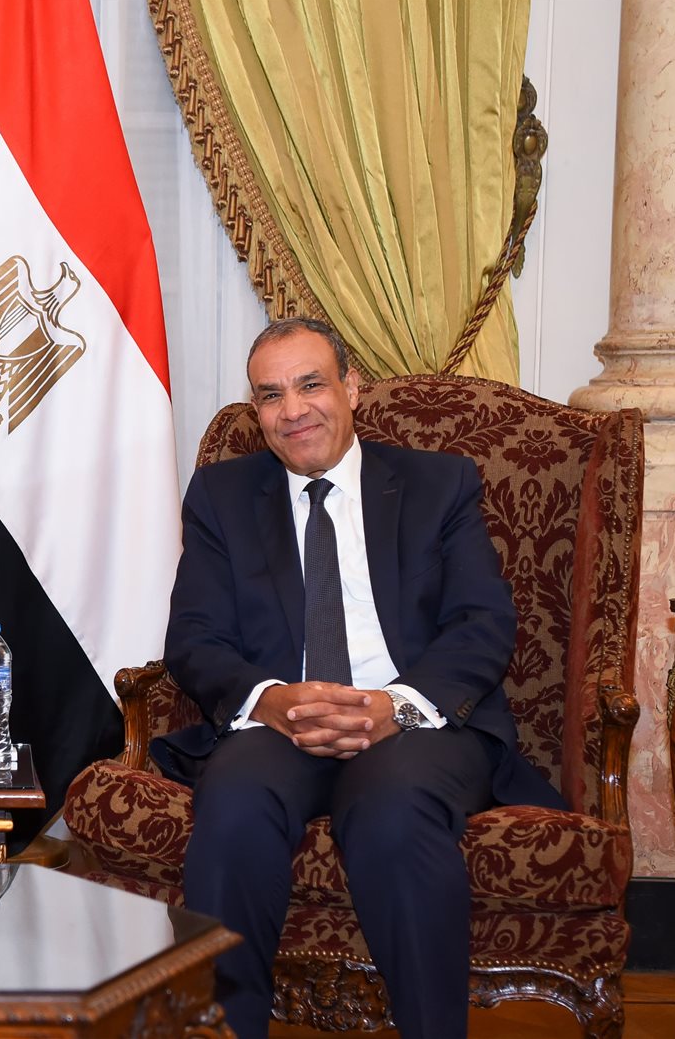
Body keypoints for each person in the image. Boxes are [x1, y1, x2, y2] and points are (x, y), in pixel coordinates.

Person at [153, 318, 563, 1039]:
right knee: (234, 799)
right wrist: (271, 701)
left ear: (352, 386)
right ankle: (225, 1030)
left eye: (311, 384)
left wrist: (393, 707)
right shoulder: (221, 495)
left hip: (415, 724)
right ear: (256, 411)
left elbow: (482, 623)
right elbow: (194, 637)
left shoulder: (437, 484)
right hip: (282, 724)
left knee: (392, 809)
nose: (293, 410)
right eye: (271, 395)